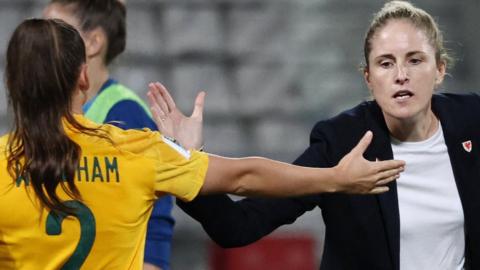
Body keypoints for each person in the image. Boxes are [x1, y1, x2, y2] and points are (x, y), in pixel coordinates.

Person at [0, 19, 404, 269]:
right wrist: (335, 177)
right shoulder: (137, 150)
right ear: (84, 77)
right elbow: (245, 176)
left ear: (12, 83)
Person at [152, 1, 480, 269]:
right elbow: (237, 226)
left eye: (415, 60)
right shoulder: (341, 140)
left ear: (439, 69)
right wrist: (188, 158)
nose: (401, 76)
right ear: (368, 78)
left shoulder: (470, 121)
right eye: (385, 63)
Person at [42, 1, 173, 269]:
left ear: (93, 42)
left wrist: (152, 263)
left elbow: (154, 210)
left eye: (55, 31)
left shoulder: (125, 115)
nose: (40, 43)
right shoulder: (50, 112)